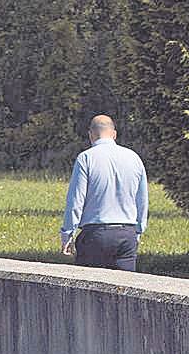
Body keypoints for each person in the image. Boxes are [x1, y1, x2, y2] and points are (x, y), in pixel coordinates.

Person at [62, 115, 149, 272]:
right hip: (126, 234)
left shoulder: (86, 158)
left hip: (95, 234)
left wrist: (68, 234)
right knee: (125, 284)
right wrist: (138, 231)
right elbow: (142, 200)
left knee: (89, 284)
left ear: (91, 135)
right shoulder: (134, 158)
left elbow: (76, 201)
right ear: (114, 134)